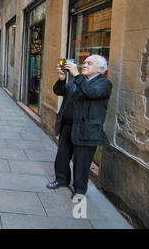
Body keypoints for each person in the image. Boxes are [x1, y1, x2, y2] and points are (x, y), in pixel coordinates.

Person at [46, 55, 112, 202]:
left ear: (100, 69)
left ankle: (80, 190)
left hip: (87, 131)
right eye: (85, 62)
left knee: (81, 162)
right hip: (68, 127)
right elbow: (59, 91)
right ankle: (61, 179)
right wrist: (62, 79)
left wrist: (76, 75)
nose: (85, 65)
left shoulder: (104, 84)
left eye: (90, 63)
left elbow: (91, 93)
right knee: (62, 156)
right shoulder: (77, 82)